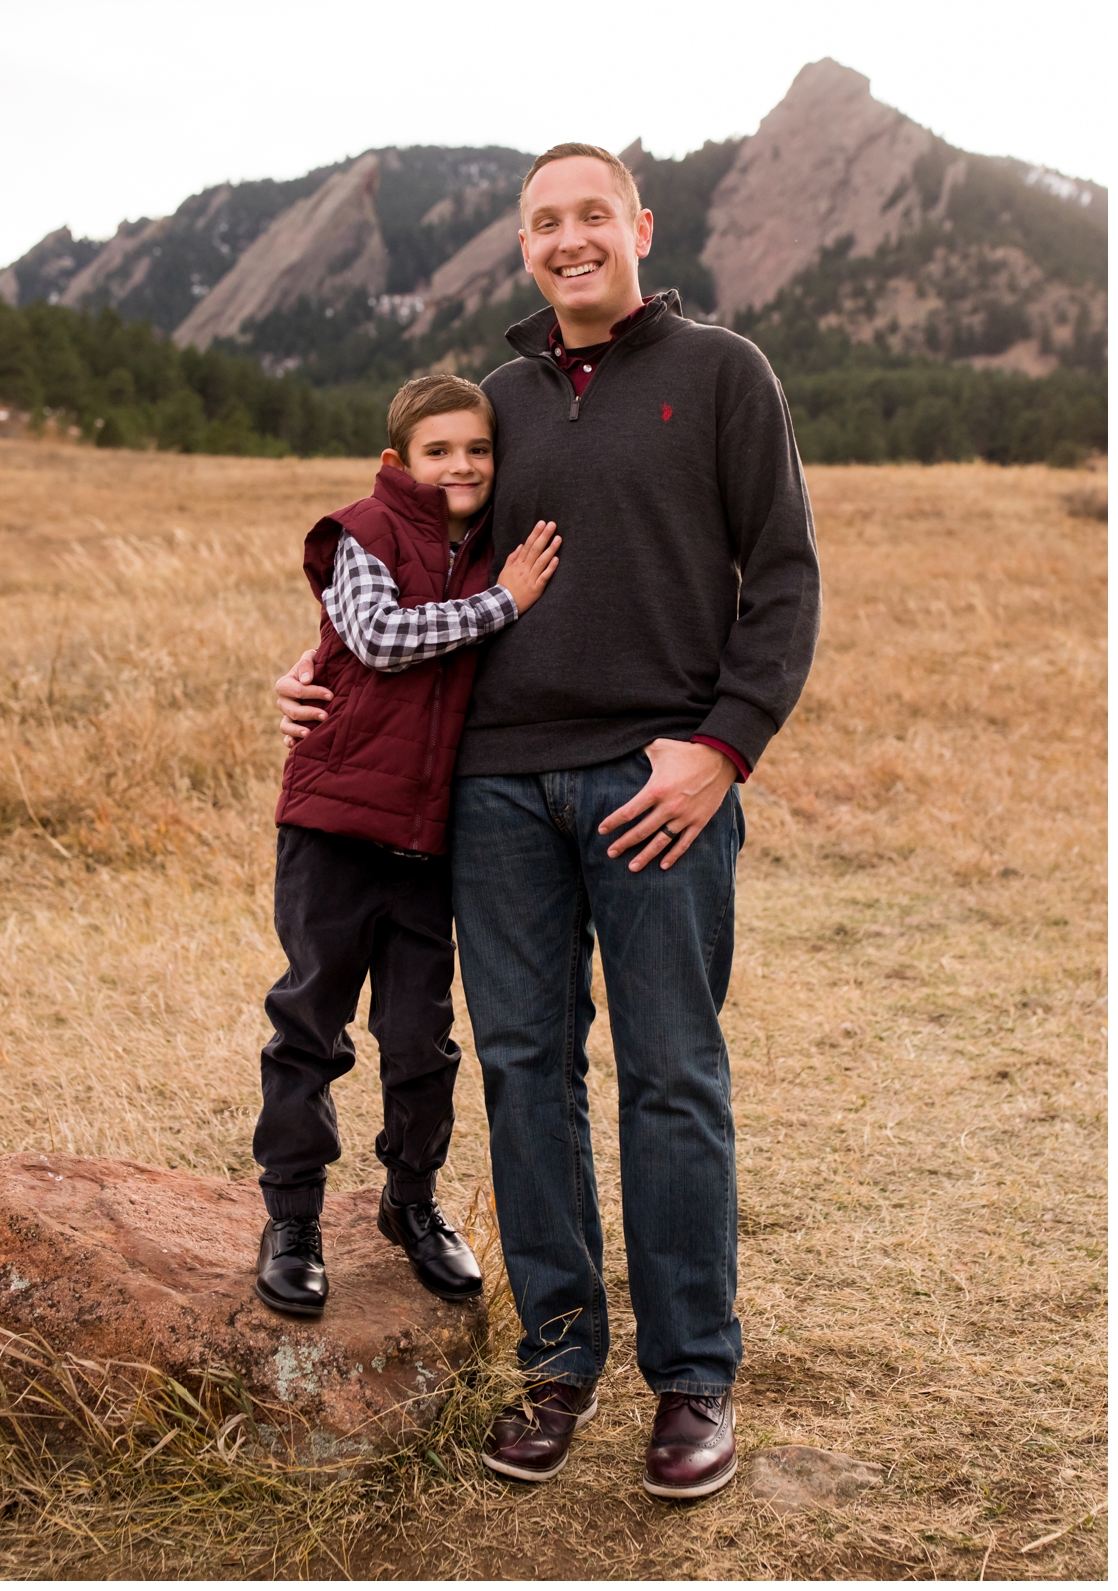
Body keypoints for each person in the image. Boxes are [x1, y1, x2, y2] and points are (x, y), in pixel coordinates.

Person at [275, 142, 819, 1499]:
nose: (569, 238)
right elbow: (408, 568)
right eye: (543, 223)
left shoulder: (725, 373)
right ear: (524, 248)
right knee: (525, 1072)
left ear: (638, 226)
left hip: (658, 786)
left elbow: (786, 580)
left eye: (592, 214)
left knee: (672, 1075)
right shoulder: (501, 402)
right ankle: (558, 1361)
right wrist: (312, 676)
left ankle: (692, 1378)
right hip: (496, 794)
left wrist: (721, 752)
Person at [253, 375, 561, 1320]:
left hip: (429, 841)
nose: (461, 465)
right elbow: (380, 639)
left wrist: (501, 587)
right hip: (336, 826)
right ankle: (294, 1217)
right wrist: (507, 601)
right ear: (398, 462)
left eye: (477, 449)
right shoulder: (362, 533)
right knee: (311, 1023)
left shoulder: (488, 553)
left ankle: (412, 1201)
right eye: (439, 450)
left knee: (421, 1039)